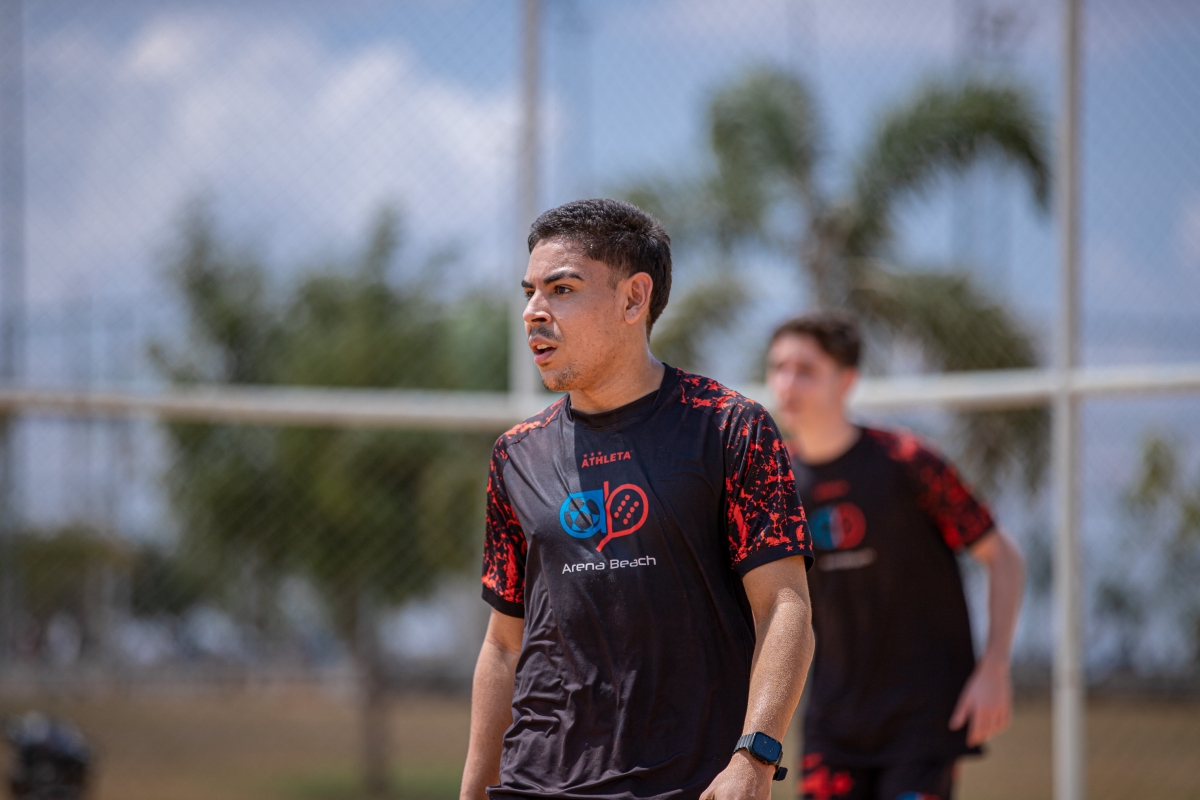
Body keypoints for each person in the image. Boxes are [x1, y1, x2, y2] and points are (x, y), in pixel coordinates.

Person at [459, 198, 815, 800]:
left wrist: (754, 759)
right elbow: (502, 646)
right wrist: (473, 791)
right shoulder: (516, 454)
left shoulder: (728, 427)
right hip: (534, 781)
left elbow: (786, 608)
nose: (533, 312)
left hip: (686, 784)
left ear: (633, 298)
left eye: (561, 289)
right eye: (529, 292)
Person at [764, 313, 1026, 800]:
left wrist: (994, 668)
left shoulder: (906, 461)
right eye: (779, 367)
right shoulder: (777, 482)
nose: (787, 383)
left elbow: (1003, 556)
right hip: (833, 725)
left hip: (922, 723)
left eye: (806, 370)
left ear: (847, 381)